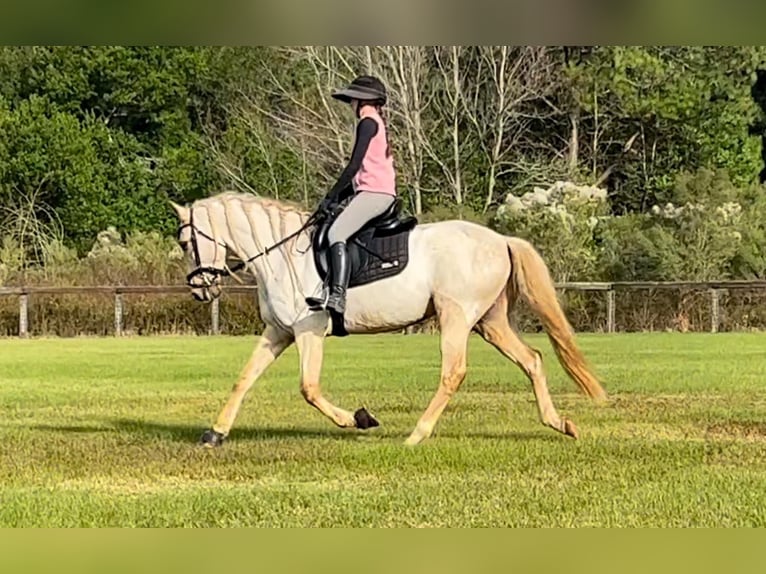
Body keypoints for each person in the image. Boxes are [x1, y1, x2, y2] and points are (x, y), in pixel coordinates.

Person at [306, 75, 397, 315]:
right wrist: (339, 196)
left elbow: (353, 166)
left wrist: (331, 195)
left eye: (352, 101)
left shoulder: (367, 122)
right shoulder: (376, 121)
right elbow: (361, 174)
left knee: (337, 233)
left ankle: (338, 296)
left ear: (360, 101)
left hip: (375, 193)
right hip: (373, 190)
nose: (351, 106)